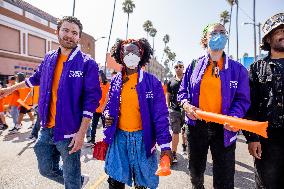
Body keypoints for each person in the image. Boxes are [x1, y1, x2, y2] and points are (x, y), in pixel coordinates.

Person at [0, 16, 101, 189]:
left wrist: (82, 132)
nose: (69, 35)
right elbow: (34, 79)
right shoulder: (49, 58)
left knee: (71, 180)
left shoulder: (87, 63)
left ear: (79, 37)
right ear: (58, 32)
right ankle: (78, 181)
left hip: (70, 132)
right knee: (45, 169)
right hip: (46, 129)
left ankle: (75, 182)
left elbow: (91, 100)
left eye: (74, 33)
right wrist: (8, 90)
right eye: (66, 30)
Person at [178, 23, 250, 189]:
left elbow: (242, 99)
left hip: (224, 128)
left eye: (222, 32)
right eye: (214, 32)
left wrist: (234, 116)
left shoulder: (237, 69)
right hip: (196, 126)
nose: (219, 35)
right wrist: (187, 106)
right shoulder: (193, 65)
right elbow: (182, 93)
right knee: (195, 173)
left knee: (224, 178)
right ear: (205, 39)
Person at [103, 38, 172, 189]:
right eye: (126, 51)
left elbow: (161, 116)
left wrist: (165, 146)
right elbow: (109, 105)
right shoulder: (115, 81)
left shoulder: (152, 82)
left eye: (134, 51)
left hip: (143, 139)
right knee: (115, 181)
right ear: (121, 55)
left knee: (142, 184)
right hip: (119, 138)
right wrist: (107, 115)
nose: (130, 54)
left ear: (141, 54)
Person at [243, 13, 284, 188]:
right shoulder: (255, 69)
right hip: (268, 141)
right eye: (279, 31)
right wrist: (252, 138)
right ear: (268, 38)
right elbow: (248, 106)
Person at [166, 61, 187, 163]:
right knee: (175, 132)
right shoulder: (171, 81)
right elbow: (168, 94)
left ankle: (185, 147)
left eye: (180, 66)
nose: (178, 68)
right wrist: (168, 106)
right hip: (174, 110)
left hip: (187, 110)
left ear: (183, 68)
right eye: (176, 67)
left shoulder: (188, 79)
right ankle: (174, 154)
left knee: (186, 132)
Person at [86, 70, 110, 144]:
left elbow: (108, 97)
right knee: (94, 125)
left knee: (104, 126)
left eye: (99, 76)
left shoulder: (107, 84)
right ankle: (92, 139)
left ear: (102, 76)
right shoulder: (96, 84)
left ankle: (106, 140)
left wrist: (104, 107)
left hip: (103, 109)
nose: (98, 78)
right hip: (96, 109)